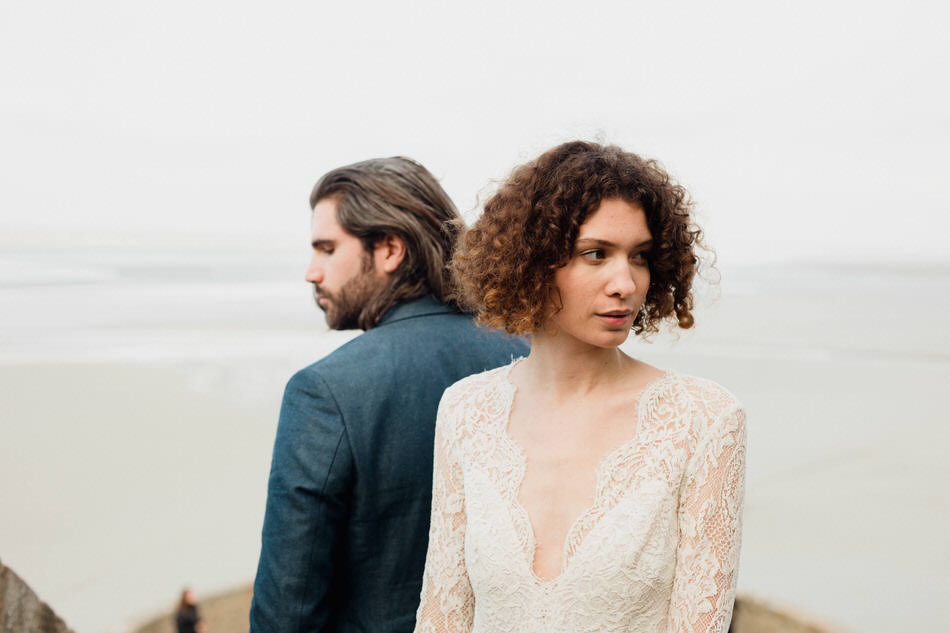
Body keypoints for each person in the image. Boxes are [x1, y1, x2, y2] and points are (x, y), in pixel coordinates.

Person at [413, 141, 747, 633]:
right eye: (596, 254)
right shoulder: (465, 409)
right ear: (532, 262)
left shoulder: (704, 418)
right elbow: (443, 615)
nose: (625, 283)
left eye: (640, 257)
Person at [250, 157, 528, 633]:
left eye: (327, 249)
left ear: (390, 250)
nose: (312, 272)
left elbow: (287, 609)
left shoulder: (325, 391)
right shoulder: (529, 356)